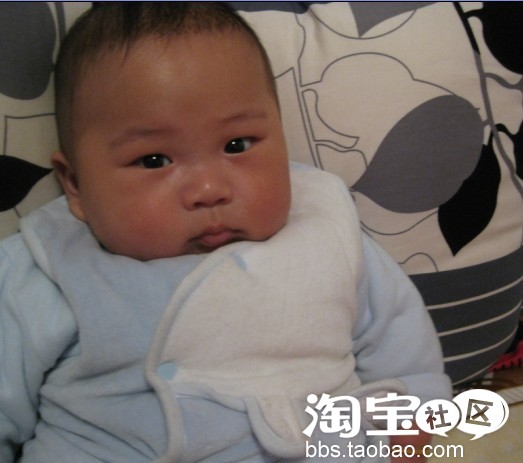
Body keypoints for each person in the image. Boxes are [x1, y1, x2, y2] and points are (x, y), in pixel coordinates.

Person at [0, 3, 451, 462]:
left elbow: (405, 356)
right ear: (75, 185)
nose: (209, 189)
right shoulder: (48, 267)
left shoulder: (325, 230)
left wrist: (406, 438)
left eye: (237, 145)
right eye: (154, 160)